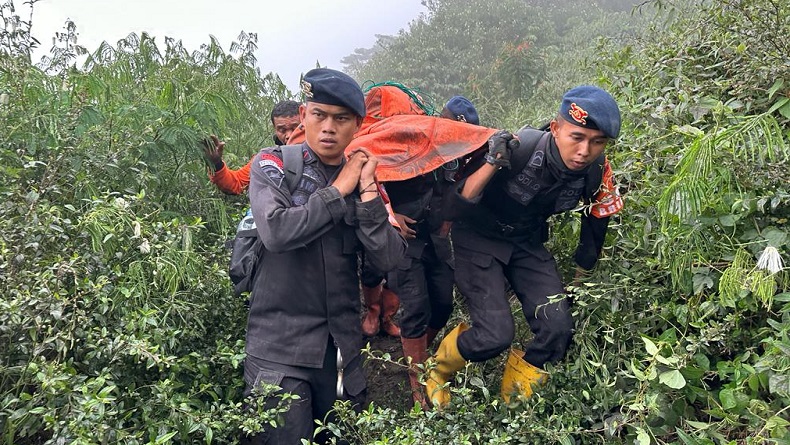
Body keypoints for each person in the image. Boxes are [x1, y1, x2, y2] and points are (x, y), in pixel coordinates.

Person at [426, 85, 624, 408]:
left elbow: (595, 226)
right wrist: (492, 161)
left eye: (597, 142)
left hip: (526, 241)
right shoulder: (520, 148)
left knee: (558, 328)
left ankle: (514, 401)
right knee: (495, 334)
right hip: (478, 237)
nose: (585, 151)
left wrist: (579, 282)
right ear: (556, 128)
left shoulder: (598, 171)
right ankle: (438, 370)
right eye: (577, 137)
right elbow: (453, 206)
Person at [242, 68, 406, 443]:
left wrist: (366, 192)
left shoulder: (365, 179)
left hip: (341, 352)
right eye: (320, 115)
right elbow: (277, 231)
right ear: (304, 116)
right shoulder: (273, 165)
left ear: (357, 125)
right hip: (279, 351)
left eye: (341, 118)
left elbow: (390, 260)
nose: (329, 128)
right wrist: (338, 190)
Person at [386, 96, 481, 407]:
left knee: (442, 303)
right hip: (406, 239)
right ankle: (418, 382)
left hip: (436, 240)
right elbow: (370, 175)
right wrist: (390, 215)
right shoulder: (407, 141)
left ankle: (418, 355)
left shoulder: (463, 156)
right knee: (415, 306)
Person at [204, 100, 301, 195]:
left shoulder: (312, 152)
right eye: (282, 130)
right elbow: (237, 183)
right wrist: (216, 163)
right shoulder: (267, 160)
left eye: (295, 128)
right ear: (275, 129)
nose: (289, 135)